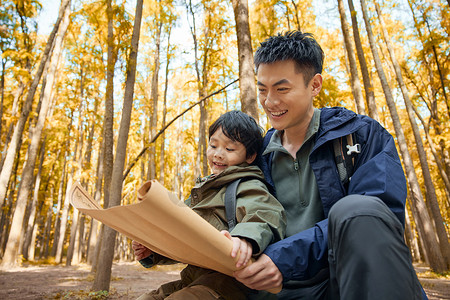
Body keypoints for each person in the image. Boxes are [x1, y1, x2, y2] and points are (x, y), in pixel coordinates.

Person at [233, 31, 426, 299]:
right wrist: (160, 246)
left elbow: (377, 217)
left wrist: (285, 258)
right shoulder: (256, 154)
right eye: (263, 89)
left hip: (341, 282)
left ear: (314, 85)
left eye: (282, 89)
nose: (269, 102)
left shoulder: (361, 135)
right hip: (271, 290)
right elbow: (223, 203)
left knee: (358, 208)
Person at [133, 110, 286, 300]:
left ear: (250, 155)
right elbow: (183, 238)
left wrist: (245, 238)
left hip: (227, 284)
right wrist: (152, 251)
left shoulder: (247, 185)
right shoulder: (202, 192)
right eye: (213, 145)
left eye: (230, 149)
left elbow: (264, 212)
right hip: (192, 277)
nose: (218, 154)